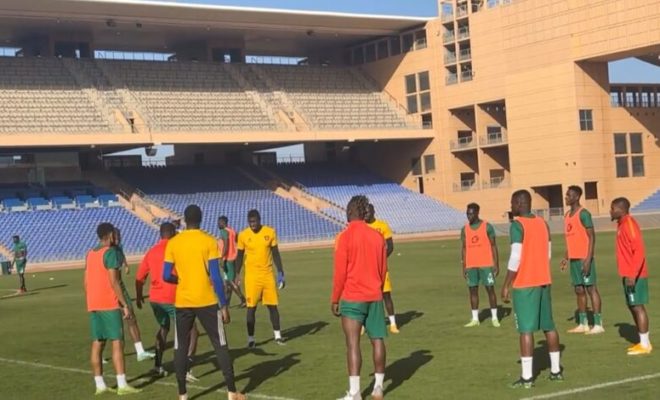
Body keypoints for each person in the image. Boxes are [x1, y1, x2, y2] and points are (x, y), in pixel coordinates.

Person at [163, 205, 245, 400]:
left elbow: (166, 275)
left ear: (185, 219)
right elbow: (216, 278)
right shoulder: (208, 241)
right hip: (206, 300)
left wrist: (181, 281)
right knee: (220, 345)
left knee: (180, 346)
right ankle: (232, 392)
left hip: (183, 301)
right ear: (201, 219)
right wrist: (224, 305)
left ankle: (182, 395)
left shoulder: (174, 243)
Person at [501, 190, 563, 389]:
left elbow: (515, 257)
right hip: (544, 280)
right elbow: (548, 253)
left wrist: (506, 284)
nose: (511, 207)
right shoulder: (543, 224)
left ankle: (527, 378)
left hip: (525, 283)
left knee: (525, 331)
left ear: (519, 203)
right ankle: (556, 371)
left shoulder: (517, 225)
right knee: (549, 326)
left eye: (512, 203)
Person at [332, 195, 388, 400]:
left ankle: (355, 393)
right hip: (374, 295)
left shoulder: (344, 237)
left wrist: (335, 298)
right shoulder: (377, 236)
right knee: (377, 339)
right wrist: (376, 288)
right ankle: (379, 388)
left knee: (353, 343)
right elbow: (383, 269)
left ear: (350, 212)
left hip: (353, 296)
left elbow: (340, 273)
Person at [135, 223, 199, 381]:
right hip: (171, 297)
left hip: (155, 299)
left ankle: (158, 365)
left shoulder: (151, 252)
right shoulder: (175, 249)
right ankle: (186, 368)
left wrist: (138, 296)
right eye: (175, 231)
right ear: (170, 233)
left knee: (164, 328)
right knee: (192, 331)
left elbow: (139, 277)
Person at [84, 223, 141, 395]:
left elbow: (85, 282)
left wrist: (91, 299)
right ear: (109, 235)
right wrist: (124, 305)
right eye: (114, 235)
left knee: (97, 343)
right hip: (109, 303)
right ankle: (122, 384)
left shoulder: (90, 254)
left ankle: (99, 385)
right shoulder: (110, 253)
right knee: (117, 342)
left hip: (93, 303)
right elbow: (114, 281)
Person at [235, 209, 286, 348]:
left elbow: (275, 254)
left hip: (267, 275)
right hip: (252, 277)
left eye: (254, 221)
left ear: (259, 220)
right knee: (251, 308)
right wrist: (237, 274)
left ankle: (278, 336)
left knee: (272, 306)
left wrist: (280, 272)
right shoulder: (243, 235)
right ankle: (251, 339)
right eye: (250, 222)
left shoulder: (269, 232)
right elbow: (239, 256)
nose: (252, 224)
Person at [610, 197, 652, 355]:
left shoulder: (629, 224)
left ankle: (645, 344)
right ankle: (641, 341)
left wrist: (633, 275)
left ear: (621, 209)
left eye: (612, 208)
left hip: (635, 275)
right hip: (628, 274)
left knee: (637, 306)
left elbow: (639, 250)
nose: (611, 211)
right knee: (632, 306)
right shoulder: (621, 225)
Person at [561, 186, 604, 334]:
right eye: (566, 195)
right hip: (573, 259)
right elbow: (571, 239)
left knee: (591, 288)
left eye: (569, 195)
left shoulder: (584, 214)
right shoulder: (566, 215)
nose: (566, 197)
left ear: (577, 197)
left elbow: (592, 237)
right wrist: (566, 257)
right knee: (578, 289)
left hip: (584, 258)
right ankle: (583, 323)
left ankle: (598, 324)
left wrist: (588, 259)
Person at [113, 228, 156, 362]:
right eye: (116, 236)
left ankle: (140, 351)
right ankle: (101, 353)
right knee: (114, 322)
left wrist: (125, 265)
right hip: (114, 289)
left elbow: (122, 256)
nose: (119, 238)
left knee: (131, 319)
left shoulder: (118, 249)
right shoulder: (109, 253)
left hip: (120, 288)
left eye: (119, 235)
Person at [460, 203, 500, 328]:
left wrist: (496, 263)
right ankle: (475, 319)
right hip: (471, 265)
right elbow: (464, 248)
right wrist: (464, 265)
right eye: (467, 213)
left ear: (477, 213)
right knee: (472, 290)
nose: (469, 216)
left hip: (486, 264)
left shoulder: (487, 227)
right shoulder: (464, 229)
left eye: (471, 213)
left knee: (490, 289)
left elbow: (494, 246)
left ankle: (494, 317)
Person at [365, 204, 399, 334]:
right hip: (367, 269)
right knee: (367, 298)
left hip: (381, 268)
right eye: (364, 212)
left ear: (373, 212)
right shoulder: (363, 227)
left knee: (386, 295)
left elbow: (390, 246)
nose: (366, 214)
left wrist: (382, 259)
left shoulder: (382, 226)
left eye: (368, 212)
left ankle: (393, 324)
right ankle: (365, 324)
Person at [218, 216, 246, 307]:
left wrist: (222, 257)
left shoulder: (223, 231)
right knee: (227, 281)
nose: (218, 224)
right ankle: (226, 303)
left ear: (223, 222)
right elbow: (237, 240)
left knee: (230, 280)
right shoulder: (232, 230)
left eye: (219, 222)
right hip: (234, 257)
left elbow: (226, 244)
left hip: (228, 259)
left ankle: (243, 299)